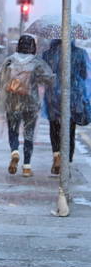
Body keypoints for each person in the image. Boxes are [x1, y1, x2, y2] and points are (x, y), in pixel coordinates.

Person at [0, 35, 54, 177]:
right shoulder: (37, 62)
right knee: (29, 134)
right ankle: (27, 167)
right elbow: (48, 79)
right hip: (30, 103)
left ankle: (14, 151)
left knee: (13, 130)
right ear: (32, 46)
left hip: (12, 102)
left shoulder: (10, 60)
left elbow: (0, 83)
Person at [42, 39, 90, 174]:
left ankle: (57, 155)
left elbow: (44, 75)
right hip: (73, 95)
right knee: (70, 129)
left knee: (54, 127)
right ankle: (67, 161)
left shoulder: (47, 54)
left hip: (53, 95)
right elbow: (84, 74)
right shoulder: (80, 53)